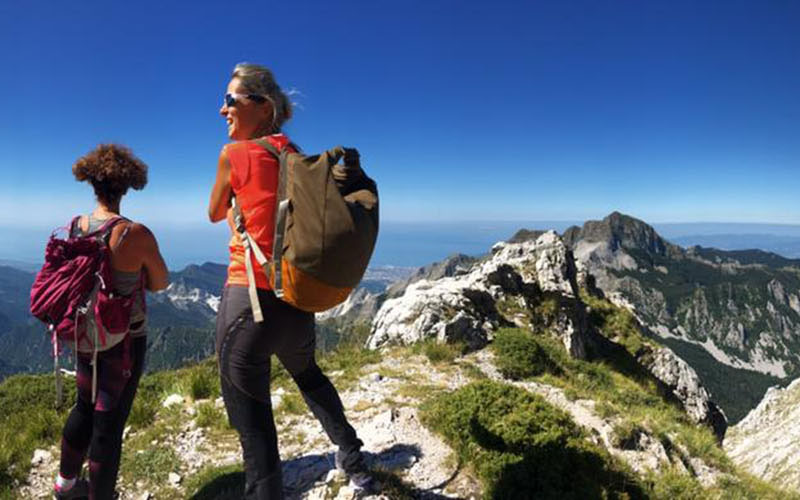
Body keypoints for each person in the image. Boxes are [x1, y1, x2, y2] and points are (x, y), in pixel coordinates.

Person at [208, 63, 373, 499]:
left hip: (248, 304)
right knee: (310, 377)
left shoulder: (233, 154)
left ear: (262, 107)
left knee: (254, 426)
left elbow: (214, 210)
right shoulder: (297, 156)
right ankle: (355, 463)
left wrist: (237, 213)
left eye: (230, 100)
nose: (221, 109)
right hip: (296, 300)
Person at [54, 144, 169, 499]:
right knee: (109, 421)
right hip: (123, 341)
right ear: (127, 187)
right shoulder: (133, 233)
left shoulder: (74, 227)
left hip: (84, 335)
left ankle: (65, 485)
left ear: (93, 184)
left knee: (84, 406)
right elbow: (160, 282)